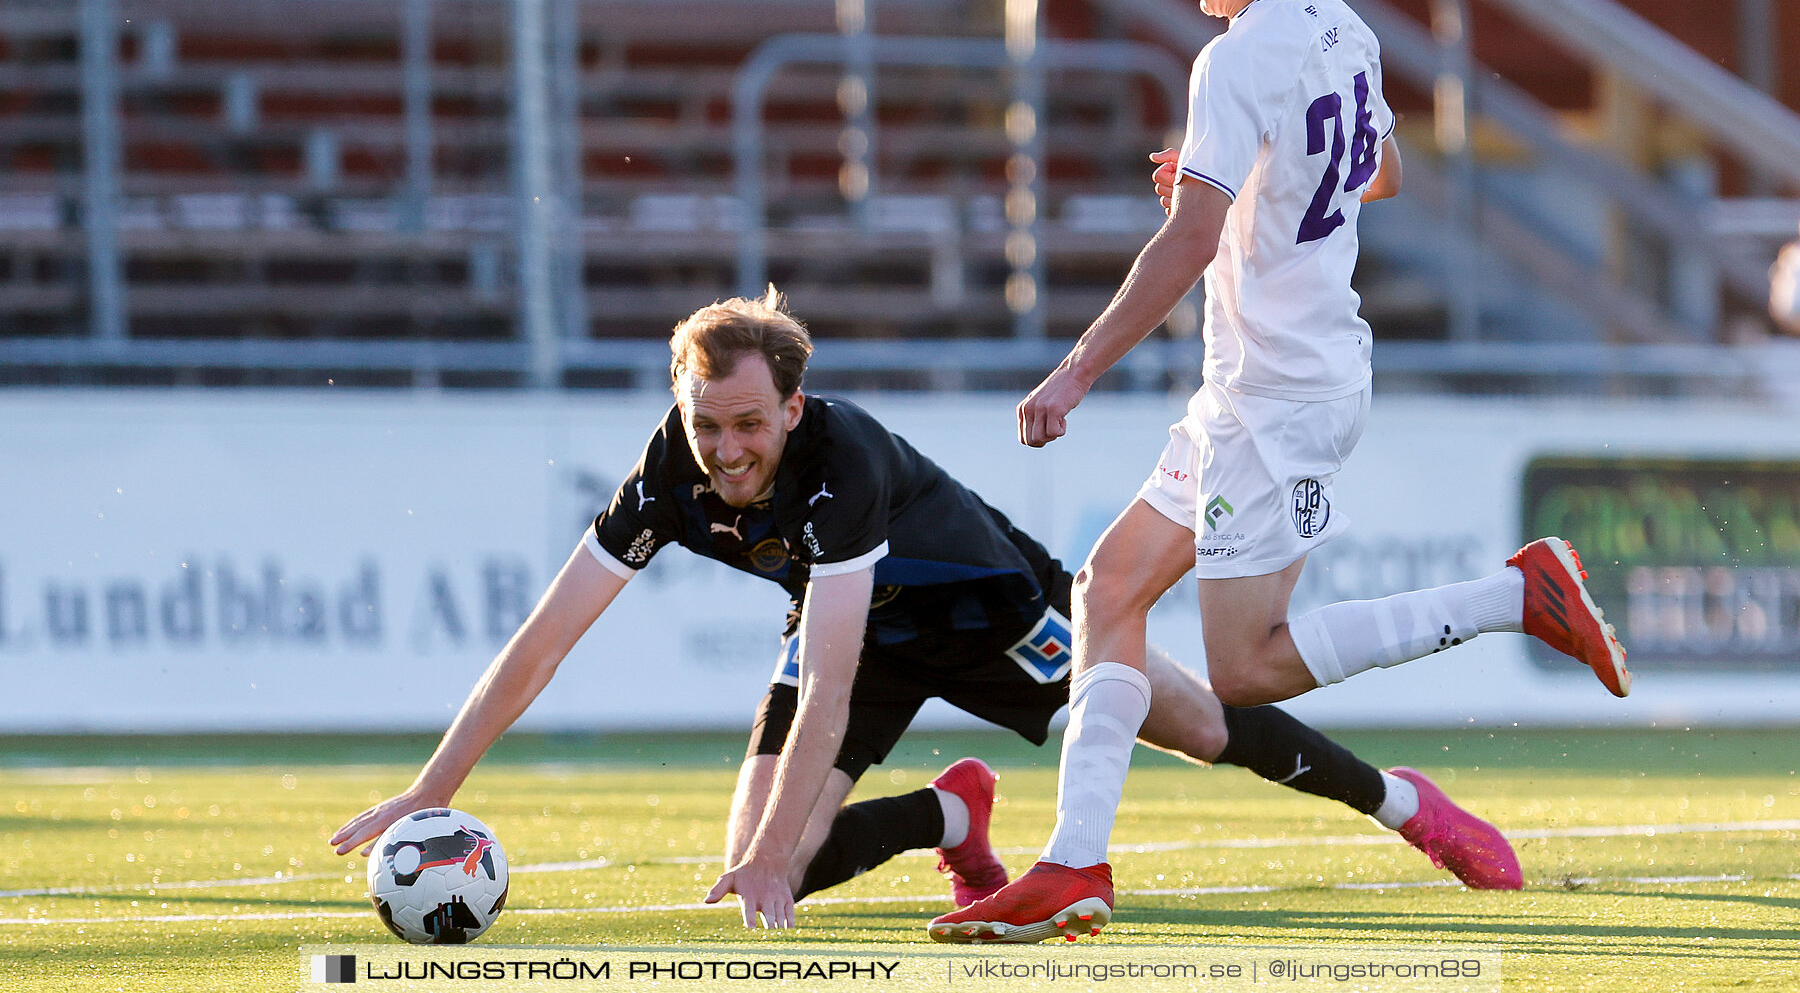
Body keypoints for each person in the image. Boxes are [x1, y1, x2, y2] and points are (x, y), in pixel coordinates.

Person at [928, 0, 1630, 945]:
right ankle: (1073, 862)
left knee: (1243, 667)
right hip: (1260, 387)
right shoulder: (1342, 29)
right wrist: (1242, 185)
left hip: (1276, 398)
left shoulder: (1234, 53)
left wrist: (1074, 368)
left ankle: (1514, 595)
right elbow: (1381, 172)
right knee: (1108, 591)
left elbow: (1186, 245)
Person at [331, 290, 1523, 932]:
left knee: (1201, 722)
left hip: (980, 599)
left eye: (751, 423)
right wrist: (437, 785)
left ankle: (1408, 805)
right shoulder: (664, 474)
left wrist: (763, 852)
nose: (730, 449)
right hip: (852, 628)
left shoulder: (840, 461)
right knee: (761, 870)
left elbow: (834, 690)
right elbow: (547, 637)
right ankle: (949, 815)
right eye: (711, 426)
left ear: (794, 407)